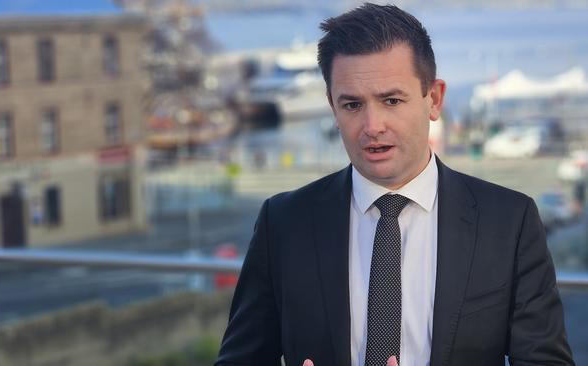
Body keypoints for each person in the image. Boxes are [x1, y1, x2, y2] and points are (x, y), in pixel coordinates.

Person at [215, 3, 574, 366]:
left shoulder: (509, 222)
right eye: (353, 105)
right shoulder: (284, 222)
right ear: (332, 108)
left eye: (391, 100)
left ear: (433, 99)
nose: (372, 125)